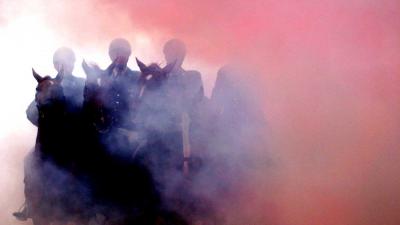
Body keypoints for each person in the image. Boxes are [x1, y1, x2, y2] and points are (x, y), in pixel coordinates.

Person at [26, 47, 85, 126]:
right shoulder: (48, 85)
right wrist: (49, 126)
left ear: (73, 63)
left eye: (69, 61)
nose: (67, 64)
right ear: (55, 65)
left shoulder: (83, 83)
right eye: (62, 62)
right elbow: (31, 112)